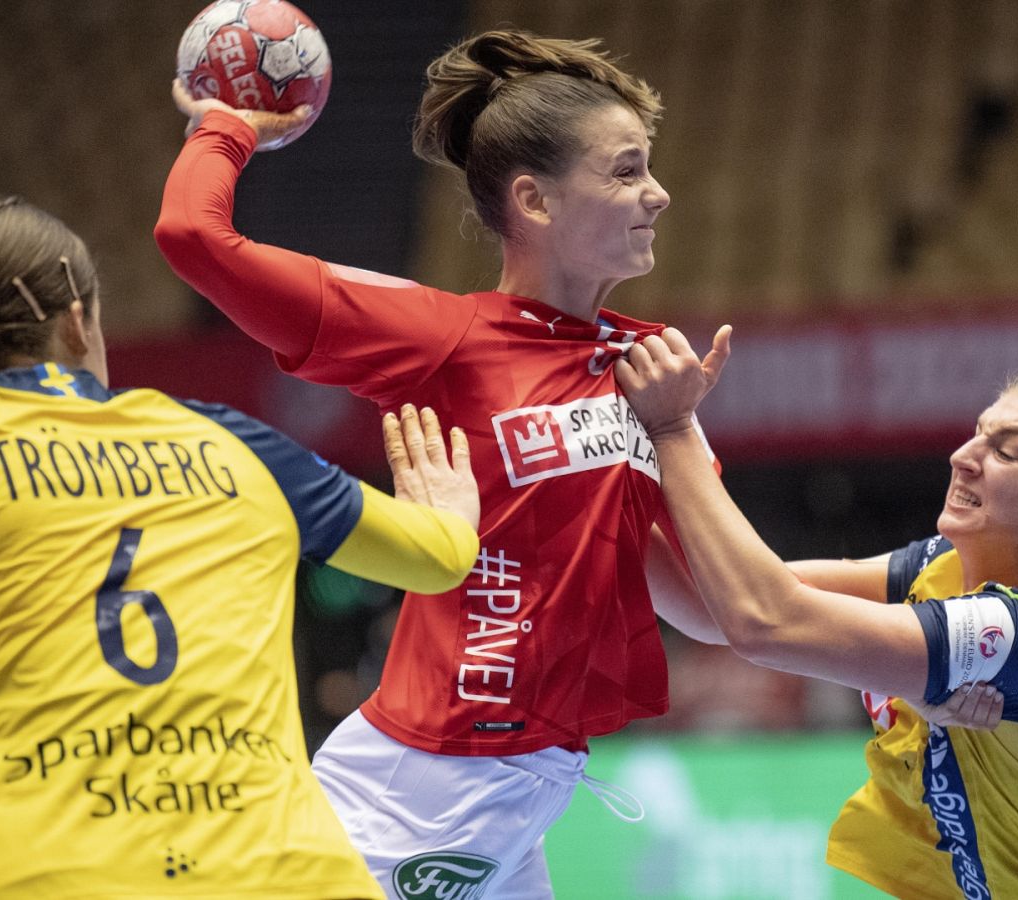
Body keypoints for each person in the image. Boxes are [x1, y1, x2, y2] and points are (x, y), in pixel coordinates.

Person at [0, 197, 483, 899]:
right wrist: (451, 516)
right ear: (80, 323)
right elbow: (437, 559)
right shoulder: (236, 444)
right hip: (289, 881)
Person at [156, 27, 705, 895]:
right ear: (535, 200)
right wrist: (226, 124)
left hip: (523, 795)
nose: (659, 194)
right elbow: (193, 234)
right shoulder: (442, 336)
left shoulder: (648, 373)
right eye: (627, 170)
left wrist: (911, 614)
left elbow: (716, 605)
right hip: (423, 788)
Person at [616, 326, 1018, 899]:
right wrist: (602, 470)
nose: (964, 457)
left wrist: (672, 427)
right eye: (977, 434)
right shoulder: (937, 568)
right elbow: (711, 606)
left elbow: (764, 620)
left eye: (1005, 450)